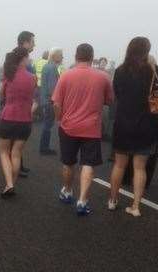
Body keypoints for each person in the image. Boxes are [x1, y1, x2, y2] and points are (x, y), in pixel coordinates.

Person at [108, 37, 158, 217]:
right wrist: (155, 66)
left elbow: (117, 94)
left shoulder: (120, 71)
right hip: (147, 125)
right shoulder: (151, 70)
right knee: (140, 168)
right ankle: (136, 206)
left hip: (123, 124)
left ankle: (113, 200)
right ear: (147, 52)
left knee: (119, 165)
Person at [53, 43, 113, 216]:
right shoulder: (103, 77)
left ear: (76, 56)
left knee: (68, 162)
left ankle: (67, 190)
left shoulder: (65, 76)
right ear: (92, 57)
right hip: (92, 128)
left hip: (68, 126)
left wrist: (59, 118)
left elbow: (56, 103)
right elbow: (110, 100)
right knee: (88, 164)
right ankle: (83, 200)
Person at [0, 47, 36, 198]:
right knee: (16, 154)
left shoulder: (8, 75)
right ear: (23, 59)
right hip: (25, 120)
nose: (29, 59)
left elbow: (1, 95)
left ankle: (9, 184)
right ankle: (11, 184)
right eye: (28, 57)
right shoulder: (32, 77)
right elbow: (33, 97)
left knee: (3, 152)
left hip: (8, 118)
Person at [15, 31, 36, 177]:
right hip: (18, 106)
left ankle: (18, 165)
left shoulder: (24, 58)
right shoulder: (18, 58)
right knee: (16, 140)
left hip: (24, 104)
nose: (34, 44)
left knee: (19, 139)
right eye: (32, 41)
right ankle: (13, 172)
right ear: (25, 42)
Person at [39, 47, 63, 155]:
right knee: (48, 125)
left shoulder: (46, 66)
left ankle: (44, 147)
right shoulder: (52, 68)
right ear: (55, 56)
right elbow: (52, 88)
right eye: (61, 55)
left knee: (46, 124)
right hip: (50, 101)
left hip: (44, 99)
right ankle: (44, 148)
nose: (62, 57)